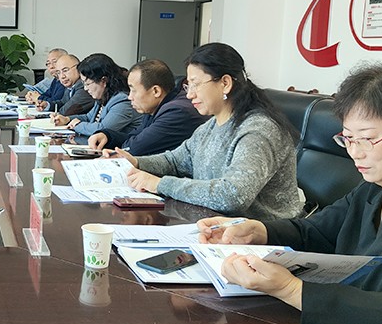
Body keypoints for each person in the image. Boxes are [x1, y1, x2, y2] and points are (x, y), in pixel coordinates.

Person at [196, 62, 382, 324]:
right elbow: (317, 231)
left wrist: (292, 290)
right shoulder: (374, 187)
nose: (355, 153)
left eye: (368, 139)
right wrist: (258, 230)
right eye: (348, 138)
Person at [108, 42, 303, 221]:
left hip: (262, 236)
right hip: (215, 226)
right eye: (188, 85)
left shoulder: (258, 130)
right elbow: (175, 161)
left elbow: (233, 195)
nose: (189, 94)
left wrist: (159, 184)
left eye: (196, 84)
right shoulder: (211, 126)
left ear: (225, 83)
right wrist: (135, 162)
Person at [88, 59, 207, 155]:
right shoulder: (156, 106)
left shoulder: (177, 112)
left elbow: (135, 148)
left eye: (134, 90)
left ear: (156, 91)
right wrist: (107, 136)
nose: (130, 97)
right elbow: (135, 136)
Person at [52, 53, 141, 139]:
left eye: (87, 84)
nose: (85, 88)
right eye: (83, 84)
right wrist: (67, 119)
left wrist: (77, 125)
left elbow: (102, 129)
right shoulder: (104, 96)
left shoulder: (122, 101)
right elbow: (88, 117)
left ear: (104, 81)